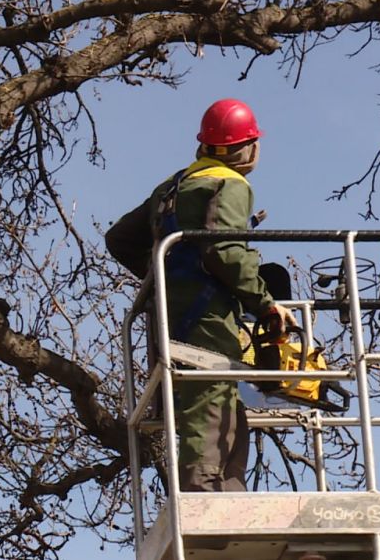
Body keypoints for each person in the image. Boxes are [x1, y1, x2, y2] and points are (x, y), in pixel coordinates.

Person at [106, 98, 296, 492]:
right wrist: (265, 304)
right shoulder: (230, 184)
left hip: (169, 317)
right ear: (247, 147)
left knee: (224, 407)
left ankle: (230, 495)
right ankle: (202, 499)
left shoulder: (172, 186)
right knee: (210, 403)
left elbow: (119, 239)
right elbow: (224, 251)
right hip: (207, 317)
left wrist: (164, 279)